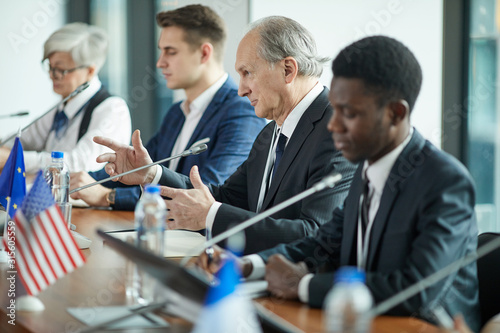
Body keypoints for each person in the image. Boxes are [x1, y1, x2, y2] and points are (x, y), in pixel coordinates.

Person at [196, 35, 481, 331]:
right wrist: (248, 266)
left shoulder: (445, 182)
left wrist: (303, 285)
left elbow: (416, 290)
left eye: (350, 113)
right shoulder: (367, 167)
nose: (333, 125)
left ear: (396, 113)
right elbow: (321, 243)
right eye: (335, 108)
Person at [93, 16, 356, 254]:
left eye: (247, 73)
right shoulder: (270, 133)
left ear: (288, 70)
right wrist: (151, 174)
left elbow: (316, 234)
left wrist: (211, 216)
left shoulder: (338, 130)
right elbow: (225, 197)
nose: (241, 89)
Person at [69, 5, 266, 210]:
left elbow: (208, 191)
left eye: (170, 52)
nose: (160, 63)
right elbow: (140, 168)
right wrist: (81, 181)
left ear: (204, 53)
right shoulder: (177, 113)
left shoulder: (241, 113)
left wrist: (109, 196)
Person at [0, 23, 131, 174]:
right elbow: (23, 140)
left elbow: (78, 163)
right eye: (50, 66)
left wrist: (15, 158)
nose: (51, 75)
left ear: (90, 70)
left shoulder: (112, 109)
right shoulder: (62, 106)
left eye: (61, 70)